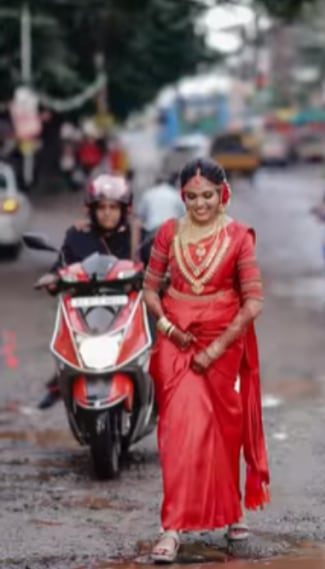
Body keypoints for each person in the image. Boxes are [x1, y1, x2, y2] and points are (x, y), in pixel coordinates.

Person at [142, 157, 270, 562]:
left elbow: (253, 302)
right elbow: (149, 290)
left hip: (223, 343)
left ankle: (232, 510)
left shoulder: (238, 237)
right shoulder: (168, 232)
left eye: (208, 196)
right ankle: (172, 527)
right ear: (182, 196)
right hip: (175, 343)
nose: (200, 204)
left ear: (222, 193)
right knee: (177, 430)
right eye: (193, 196)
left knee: (223, 430)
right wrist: (169, 329)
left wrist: (215, 349)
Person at [34, 174, 140, 409]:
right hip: (86, 309)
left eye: (114, 207)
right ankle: (60, 383)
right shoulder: (77, 236)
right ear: (92, 210)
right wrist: (52, 279)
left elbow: (155, 262)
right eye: (101, 207)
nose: (107, 213)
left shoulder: (136, 235)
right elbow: (61, 265)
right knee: (67, 344)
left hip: (128, 310)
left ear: (124, 210)